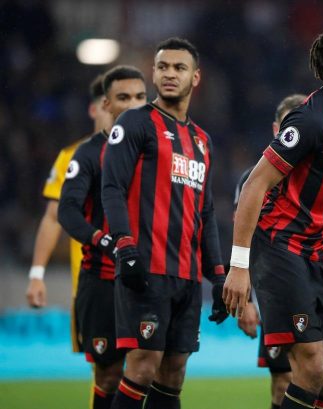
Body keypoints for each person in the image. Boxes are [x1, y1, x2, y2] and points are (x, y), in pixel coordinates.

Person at [223, 24, 323, 409]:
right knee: (311, 369)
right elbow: (254, 185)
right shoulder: (310, 121)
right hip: (281, 250)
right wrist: (239, 266)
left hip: (320, 255)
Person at [101, 37, 228, 409]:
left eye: (179, 68)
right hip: (145, 268)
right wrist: (125, 246)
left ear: (195, 77)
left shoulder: (202, 141)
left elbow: (205, 212)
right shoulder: (135, 123)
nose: (170, 74)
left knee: (174, 372)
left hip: (186, 276)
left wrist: (218, 276)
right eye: (163, 67)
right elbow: (112, 187)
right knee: (142, 365)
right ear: (154, 73)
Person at [58, 65, 147, 409]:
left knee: (153, 370)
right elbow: (67, 211)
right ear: (106, 104)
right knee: (108, 375)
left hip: (149, 279)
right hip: (103, 280)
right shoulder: (88, 153)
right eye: (123, 97)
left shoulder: (155, 150)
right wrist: (103, 240)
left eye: (139, 97)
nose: (133, 104)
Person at [25, 75, 112, 350]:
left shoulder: (145, 153)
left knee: (145, 367)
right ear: (93, 109)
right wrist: (37, 274)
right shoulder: (72, 156)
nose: (114, 111)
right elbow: (53, 217)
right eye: (107, 105)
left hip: (140, 283)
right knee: (103, 369)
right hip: (90, 282)